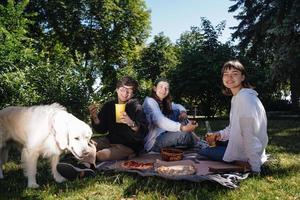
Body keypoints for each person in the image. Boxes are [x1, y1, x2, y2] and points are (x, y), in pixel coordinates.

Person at [57, 76, 148, 180]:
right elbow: (101, 130)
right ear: (117, 90)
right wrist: (95, 118)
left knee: (101, 155)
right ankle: (85, 167)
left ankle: (79, 163)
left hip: (129, 146)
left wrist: (131, 123)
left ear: (133, 94)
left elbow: (143, 133)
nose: (125, 93)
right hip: (110, 139)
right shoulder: (109, 105)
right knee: (89, 143)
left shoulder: (136, 108)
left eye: (129, 91)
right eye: (122, 89)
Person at [199, 60, 268, 173]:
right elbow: (233, 128)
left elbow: (249, 135)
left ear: (242, 77)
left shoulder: (245, 99)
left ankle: (241, 162)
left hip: (247, 153)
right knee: (211, 142)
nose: (229, 77)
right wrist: (219, 135)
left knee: (203, 151)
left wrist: (255, 167)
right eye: (226, 74)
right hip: (244, 145)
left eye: (235, 73)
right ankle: (230, 152)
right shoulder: (237, 97)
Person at [142, 78, 199, 152]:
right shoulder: (150, 102)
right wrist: (183, 128)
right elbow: (160, 121)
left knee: (179, 114)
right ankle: (197, 141)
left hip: (165, 133)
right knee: (185, 135)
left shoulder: (164, 102)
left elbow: (178, 106)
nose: (164, 90)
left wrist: (183, 112)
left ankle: (193, 137)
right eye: (161, 87)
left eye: (166, 88)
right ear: (155, 88)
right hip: (154, 142)